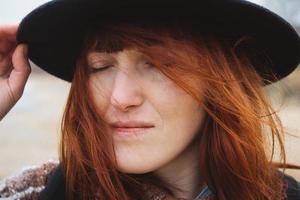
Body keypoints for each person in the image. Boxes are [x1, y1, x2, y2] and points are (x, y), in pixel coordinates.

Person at [0, 0, 300, 199]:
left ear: (221, 82)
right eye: (100, 67)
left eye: (159, 66)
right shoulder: (36, 192)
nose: (120, 98)